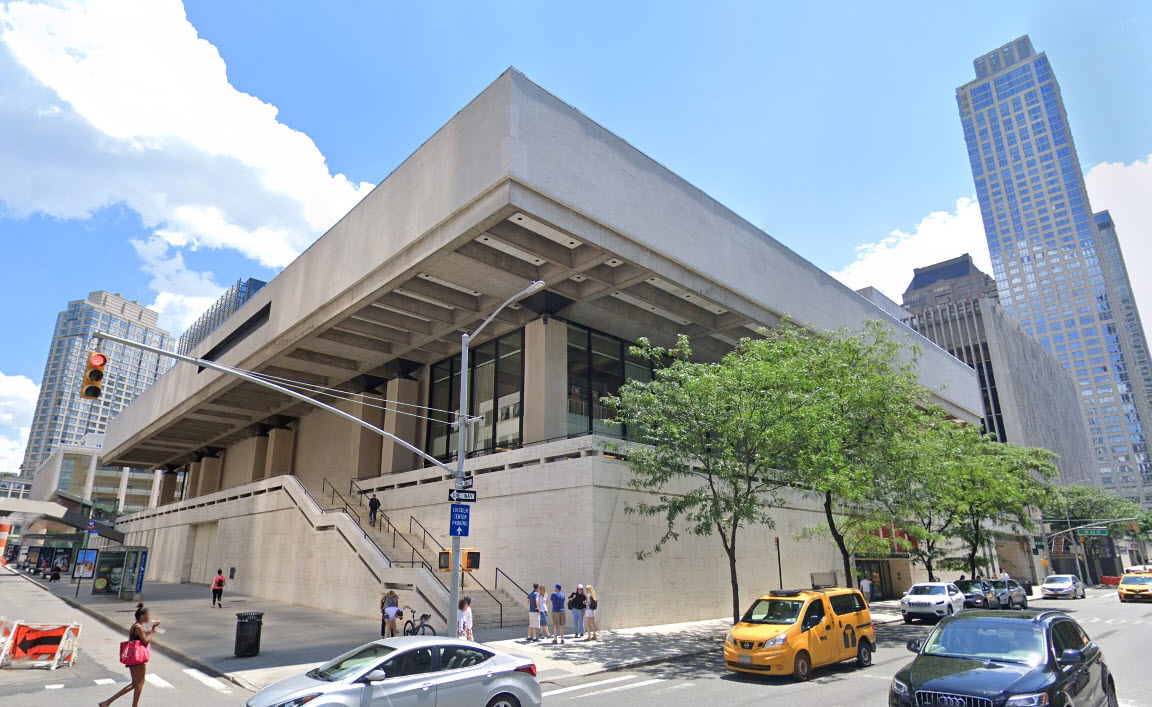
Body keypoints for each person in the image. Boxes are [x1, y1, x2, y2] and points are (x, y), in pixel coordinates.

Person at [100, 603, 159, 707]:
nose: (149, 618)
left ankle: (107, 702)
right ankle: (132, 705)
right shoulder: (139, 627)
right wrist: (152, 631)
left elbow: (138, 638)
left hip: (132, 657)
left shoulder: (135, 626)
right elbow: (145, 641)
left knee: (134, 684)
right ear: (142, 616)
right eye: (148, 616)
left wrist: (150, 629)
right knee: (139, 683)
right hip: (138, 658)